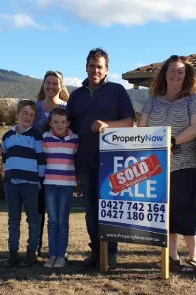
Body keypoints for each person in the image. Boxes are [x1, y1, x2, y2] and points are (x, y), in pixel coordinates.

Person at [67, 48, 135, 269]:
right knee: (90, 210)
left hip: (112, 162)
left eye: (100, 67)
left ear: (106, 69)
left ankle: (111, 253)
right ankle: (96, 252)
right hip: (85, 160)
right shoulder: (76, 95)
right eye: (91, 66)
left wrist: (108, 125)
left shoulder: (117, 91)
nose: (95, 70)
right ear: (85, 67)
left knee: (110, 207)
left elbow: (129, 122)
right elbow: (69, 129)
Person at [137, 55, 196, 271]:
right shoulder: (152, 101)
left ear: (187, 76)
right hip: (157, 164)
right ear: (164, 74)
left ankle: (194, 258)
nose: (176, 75)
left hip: (186, 162)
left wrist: (172, 141)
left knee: (183, 206)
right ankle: (171, 256)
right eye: (172, 70)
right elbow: (142, 129)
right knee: (164, 209)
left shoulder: (192, 100)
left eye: (180, 71)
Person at [0, 99, 46, 268]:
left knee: (33, 220)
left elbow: (41, 160)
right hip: (11, 184)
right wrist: (7, 175)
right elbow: (5, 157)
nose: (28, 117)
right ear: (17, 114)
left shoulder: (36, 136)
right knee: (13, 219)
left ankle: (31, 253)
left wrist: (40, 181)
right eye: (24, 113)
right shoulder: (7, 136)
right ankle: (12, 253)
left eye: (32, 115)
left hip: (31, 184)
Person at [33, 70, 70, 257]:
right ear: (43, 85)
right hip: (37, 166)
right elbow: (22, 127)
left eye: (55, 83)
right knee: (38, 209)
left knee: (59, 216)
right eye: (48, 83)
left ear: (61, 86)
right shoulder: (35, 107)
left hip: (60, 169)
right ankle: (36, 246)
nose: (51, 86)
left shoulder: (67, 108)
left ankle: (60, 251)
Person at [41, 108, 78, 268]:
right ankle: (52, 255)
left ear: (68, 123)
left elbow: (77, 162)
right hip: (50, 184)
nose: (59, 125)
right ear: (50, 123)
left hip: (67, 186)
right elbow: (41, 160)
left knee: (63, 221)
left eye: (63, 122)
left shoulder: (75, 139)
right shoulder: (45, 138)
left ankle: (61, 255)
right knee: (52, 221)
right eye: (55, 122)